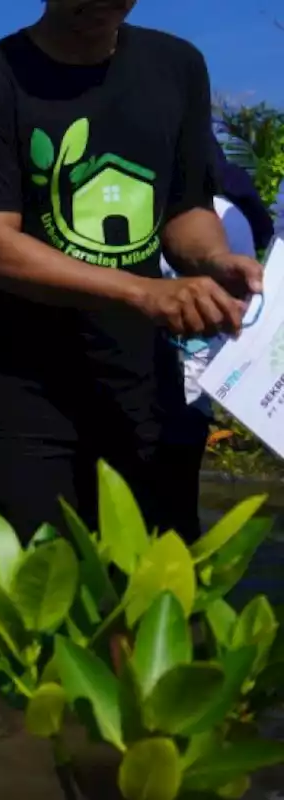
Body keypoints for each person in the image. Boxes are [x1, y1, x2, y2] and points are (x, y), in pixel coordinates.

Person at [0, 0, 263, 544]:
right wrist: (144, 292)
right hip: (21, 395)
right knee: (30, 602)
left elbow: (185, 212)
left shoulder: (177, 66)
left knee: (149, 590)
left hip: (139, 388)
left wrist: (215, 259)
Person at [159, 147, 275, 542]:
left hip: (176, 386)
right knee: (179, 517)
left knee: (160, 519)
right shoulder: (234, 217)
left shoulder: (201, 219)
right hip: (205, 383)